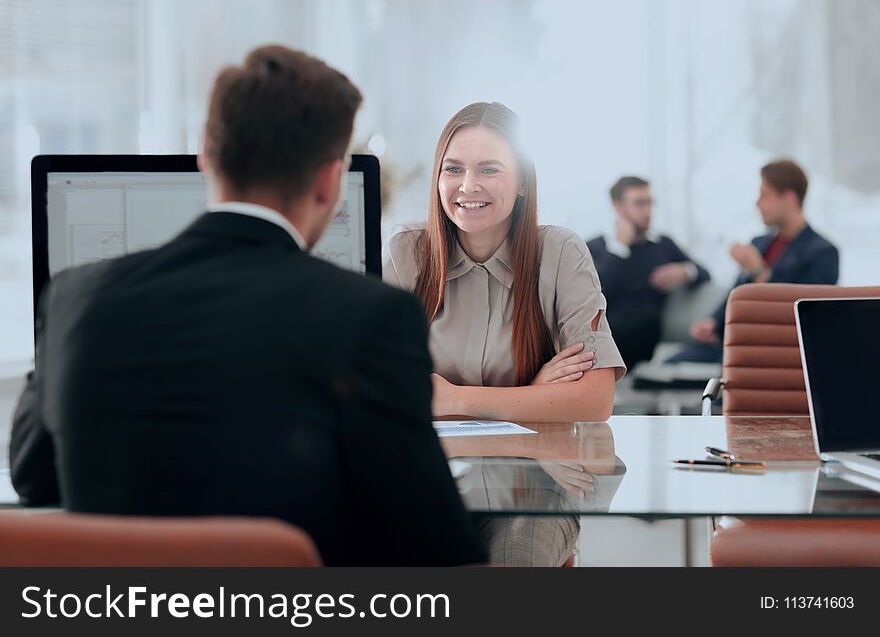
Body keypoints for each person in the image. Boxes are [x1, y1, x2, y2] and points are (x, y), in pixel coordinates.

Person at [9, 45, 486, 567]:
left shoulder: (72, 298)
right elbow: (443, 551)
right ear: (330, 181)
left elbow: (35, 478)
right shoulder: (371, 318)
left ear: (207, 158)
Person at [384, 102, 626, 565]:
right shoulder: (406, 256)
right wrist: (532, 397)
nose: (467, 186)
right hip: (429, 481)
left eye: (489, 169)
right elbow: (387, 392)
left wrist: (454, 400)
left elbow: (595, 400)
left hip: (537, 488)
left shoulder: (559, 253)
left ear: (522, 183)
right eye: (452, 169)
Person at [669, 159, 839, 363]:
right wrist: (713, 323)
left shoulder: (823, 253)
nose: (757, 203)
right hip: (735, 343)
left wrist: (757, 270)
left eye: (765, 195)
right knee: (668, 366)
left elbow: (803, 315)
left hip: (779, 350)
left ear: (789, 198)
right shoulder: (759, 243)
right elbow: (736, 294)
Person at [587, 176, 710, 367]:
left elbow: (704, 273)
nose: (648, 211)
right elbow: (595, 297)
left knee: (646, 317)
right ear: (617, 206)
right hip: (605, 333)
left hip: (645, 332)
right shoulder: (596, 248)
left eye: (650, 203)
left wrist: (685, 271)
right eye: (639, 203)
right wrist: (619, 249)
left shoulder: (662, 244)